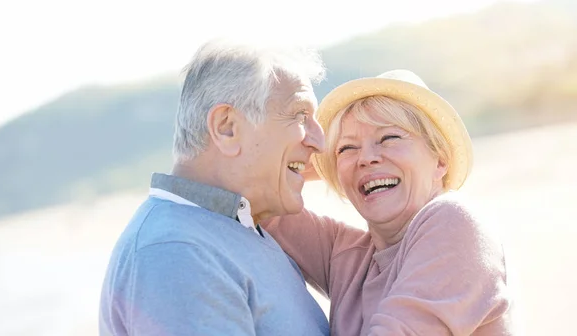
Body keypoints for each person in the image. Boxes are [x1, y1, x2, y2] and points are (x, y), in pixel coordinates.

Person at [98, 39, 330, 336]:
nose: (318, 142)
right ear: (226, 127)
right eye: (300, 116)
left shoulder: (235, 230)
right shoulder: (178, 253)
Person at [263, 69, 517, 335]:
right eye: (347, 148)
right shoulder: (347, 257)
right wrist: (324, 161)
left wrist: (347, 159)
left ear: (440, 160)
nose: (367, 158)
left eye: (389, 138)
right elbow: (252, 186)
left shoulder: (455, 222)